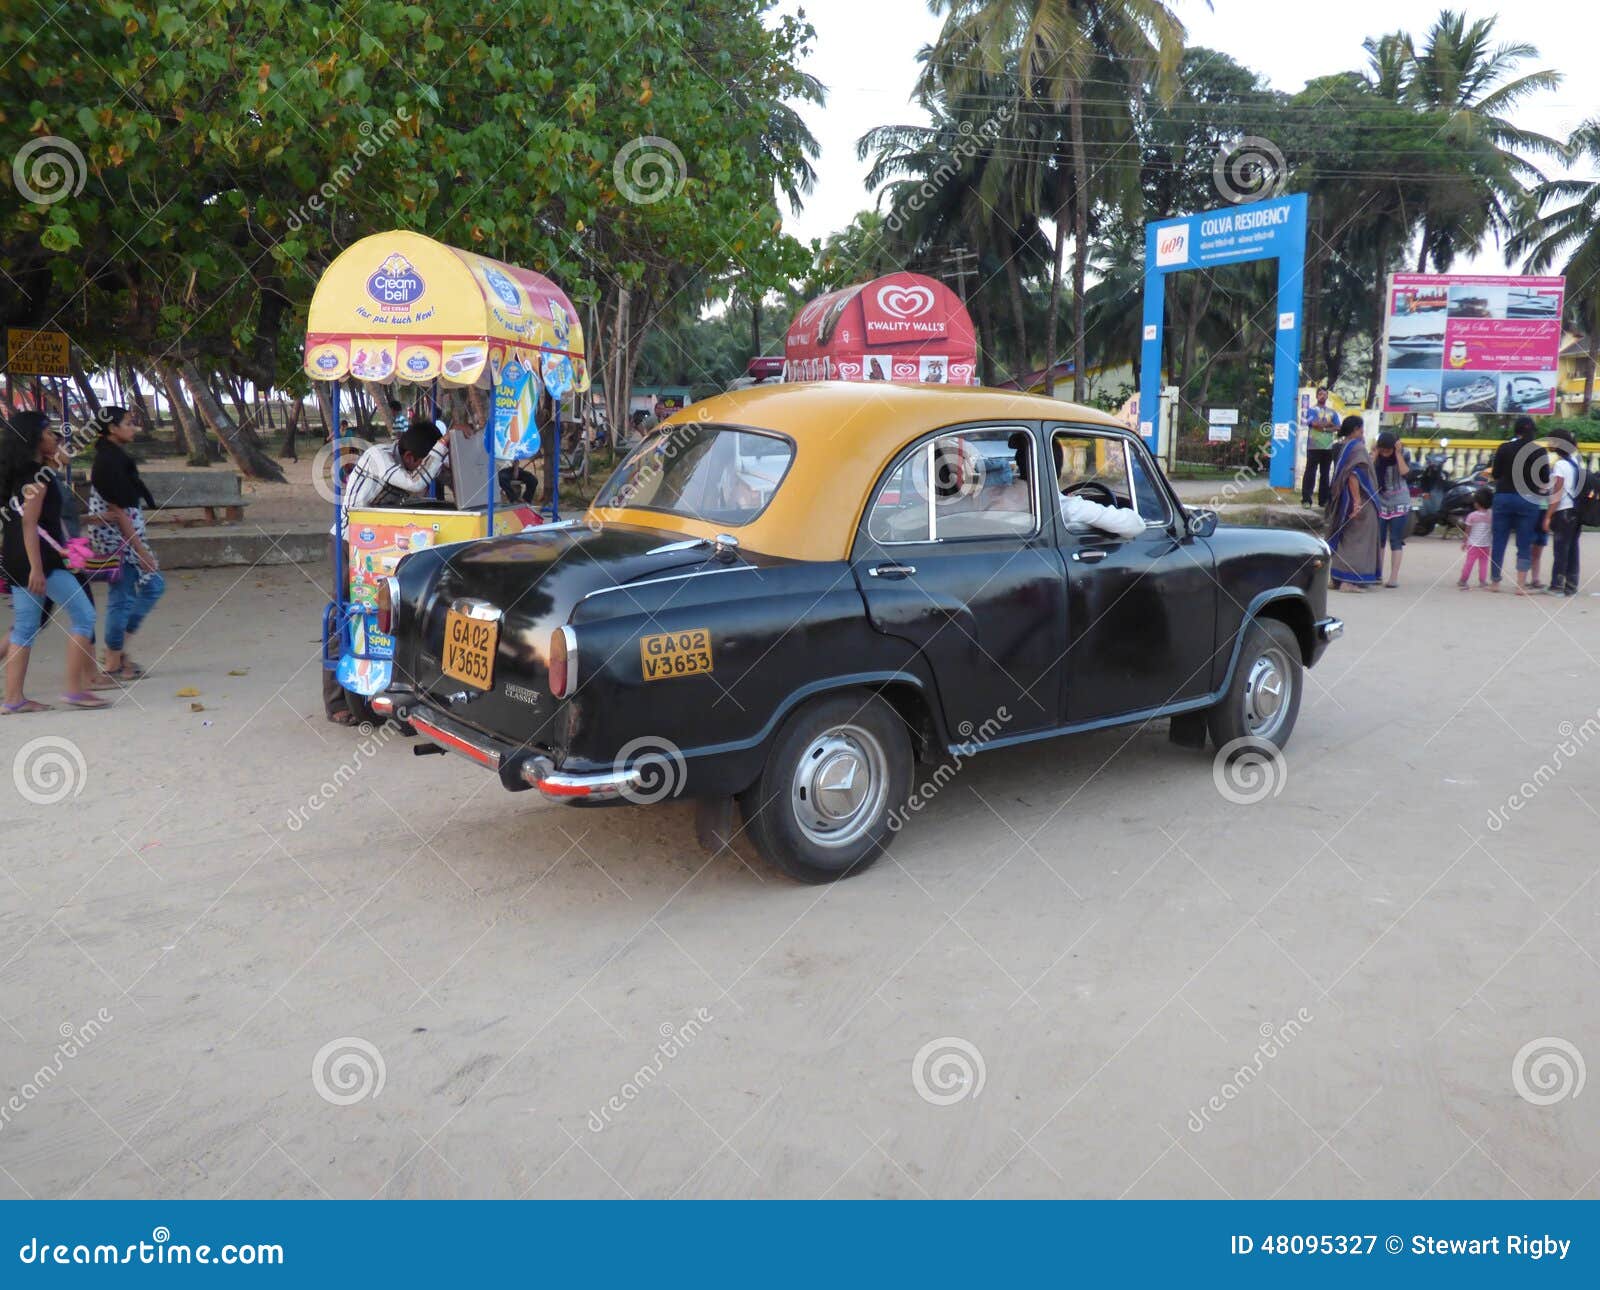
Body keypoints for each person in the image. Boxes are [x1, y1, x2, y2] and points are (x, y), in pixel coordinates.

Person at [325, 419, 449, 723]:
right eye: (420, 463)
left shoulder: (398, 461)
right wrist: (443, 448)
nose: (419, 469)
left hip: (377, 545)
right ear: (408, 458)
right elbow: (415, 483)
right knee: (344, 615)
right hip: (348, 543)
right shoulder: (379, 457)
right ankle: (335, 702)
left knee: (384, 617)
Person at [1, 411, 109, 712]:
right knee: (84, 616)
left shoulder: (22, 472)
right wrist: (37, 567)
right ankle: (75, 690)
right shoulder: (37, 477)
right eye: (49, 433)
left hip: (16, 555)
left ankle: (13, 700)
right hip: (38, 559)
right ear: (35, 439)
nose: (56, 438)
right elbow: (29, 524)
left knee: (25, 627)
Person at [88, 406, 165, 681]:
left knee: (149, 588)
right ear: (112, 429)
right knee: (123, 598)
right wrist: (141, 550)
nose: (133, 428)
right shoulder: (107, 462)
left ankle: (117, 653)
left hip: (127, 537)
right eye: (128, 423)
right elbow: (118, 510)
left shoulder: (115, 458)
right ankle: (112, 661)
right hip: (118, 541)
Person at [1488, 415, 1547, 594]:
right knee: (1524, 541)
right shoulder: (1539, 451)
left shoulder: (1504, 448)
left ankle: (1495, 583)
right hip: (1528, 498)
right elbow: (1544, 478)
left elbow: (1496, 474)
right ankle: (1521, 585)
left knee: (1499, 540)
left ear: (1516, 430)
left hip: (1504, 495)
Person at [1325, 415, 1380, 591]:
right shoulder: (1357, 448)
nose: (1363, 432)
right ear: (1356, 429)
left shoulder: (1345, 447)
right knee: (1358, 539)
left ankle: (1336, 578)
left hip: (1343, 500)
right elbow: (1354, 475)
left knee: (1343, 536)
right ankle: (1349, 581)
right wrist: (1357, 502)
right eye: (1361, 428)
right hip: (1358, 499)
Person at [1544, 427, 1582, 597]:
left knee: (1561, 548)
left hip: (1563, 511)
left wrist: (1548, 516)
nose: (1548, 443)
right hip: (1576, 511)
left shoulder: (1560, 465)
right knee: (1573, 547)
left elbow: (1557, 493)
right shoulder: (1576, 462)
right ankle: (1571, 584)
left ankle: (1556, 585)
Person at [1371, 431, 1412, 588]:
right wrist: (1375, 453)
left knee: (1395, 540)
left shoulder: (1404, 454)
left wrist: (1397, 453)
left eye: (1388, 450)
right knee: (1379, 540)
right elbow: (1368, 470)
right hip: (1381, 501)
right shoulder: (1377, 455)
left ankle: (1393, 578)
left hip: (1399, 501)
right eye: (1383, 450)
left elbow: (1405, 472)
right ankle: (1378, 574)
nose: (1385, 453)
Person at [1301, 386, 1339, 508]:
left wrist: (1324, 426)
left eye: (1325, 394)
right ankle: (1306, 500)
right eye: (1320, 394)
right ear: (1317, 396)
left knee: (1325, 473)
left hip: (1327, 447)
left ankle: (1323, 501)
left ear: (1327, 396)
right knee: (1310, 473)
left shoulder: (1332, 412)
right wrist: (1328, 426)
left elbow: (1338, 427)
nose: (1323, 396)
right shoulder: (1311, 410)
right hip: (1313, 446)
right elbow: (1313, 424)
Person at [1458, 487, 1493, 589]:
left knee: (1469, 562)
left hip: (1473, 544)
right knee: (1484, 563)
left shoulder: (1472, 516)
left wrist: (1465, 542)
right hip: (1486, 544)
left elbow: (1467, 531)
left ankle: (1463, 580)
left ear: (1477, 503)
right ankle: (1482, 581)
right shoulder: (1491, 515)